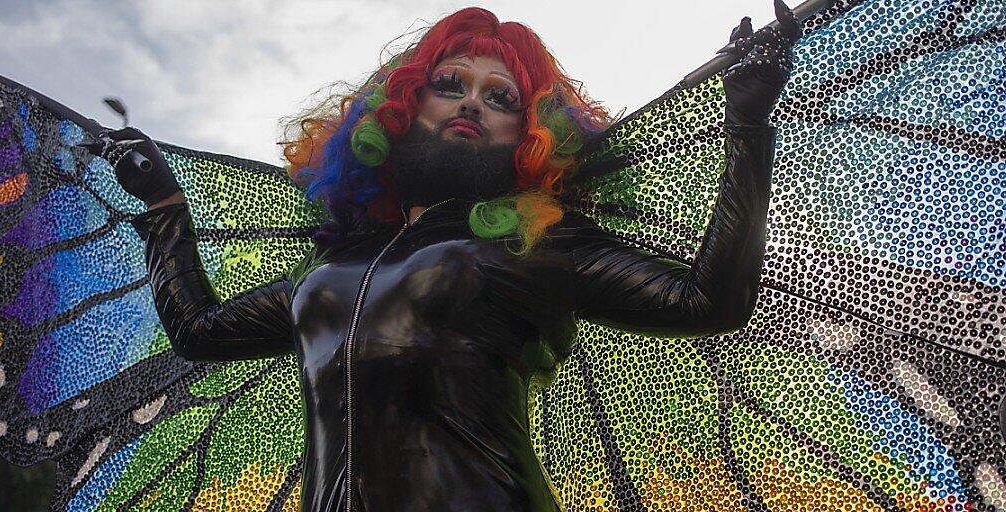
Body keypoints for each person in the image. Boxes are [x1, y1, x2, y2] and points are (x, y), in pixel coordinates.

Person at [86, 4, 801, 511]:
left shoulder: (535, 246)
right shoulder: (329, 269)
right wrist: (164, 210)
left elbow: (708, 301)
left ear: (530, 133)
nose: (470, 104)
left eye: (500, 98)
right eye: (448, 84)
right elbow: (198, 331)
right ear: (402, 108)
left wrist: (747, 127)